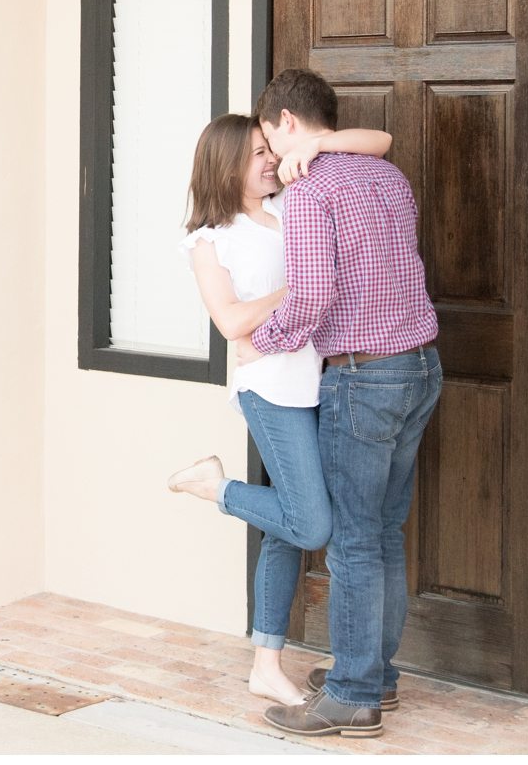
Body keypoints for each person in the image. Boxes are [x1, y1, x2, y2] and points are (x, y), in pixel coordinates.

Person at [164, 111, 392, 706]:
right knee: (312, 522)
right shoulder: (212, 240)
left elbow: (380, 143)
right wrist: (306, 285)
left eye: (270, 147)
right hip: (270, 392)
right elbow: (232, 322)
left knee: (287, 528)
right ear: (225, 166)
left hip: (326, 385)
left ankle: (267, 662)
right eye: (256, 154)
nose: (270, 159)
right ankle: (213, 488)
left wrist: (315, 143)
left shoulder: (295, 202)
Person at [247, 68, 440, 740]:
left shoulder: (310, 191)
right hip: (420, 367)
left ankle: (354, 694)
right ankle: (375, 675)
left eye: (268, 135)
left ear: (286, 122)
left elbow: (312, 296)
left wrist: (258, 342)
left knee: (355, 540)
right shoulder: (387, 176)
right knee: (383, 531)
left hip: (362, 378)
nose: (268, 152)